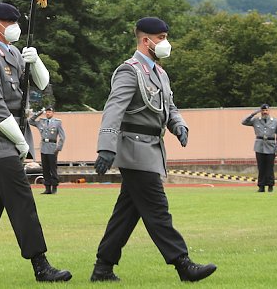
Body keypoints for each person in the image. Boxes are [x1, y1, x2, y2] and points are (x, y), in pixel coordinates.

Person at [91, 17, 215, 283]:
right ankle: (183, 264)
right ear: (145, 40)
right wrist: (106, 147)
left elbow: (169, 106)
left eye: (166, 37)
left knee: (126, 213)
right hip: (134, 150)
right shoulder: (129, 71)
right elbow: (114, 110)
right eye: (160, 38)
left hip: (151, 148)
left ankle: (102, 268)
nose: (165, 43)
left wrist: (178, 125)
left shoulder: (159, 72)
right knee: (158, 209)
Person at [0, 3, 70, 283]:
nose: (14, 26)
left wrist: (36, 60)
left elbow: (42, 84)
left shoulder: (14, 53)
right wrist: (20, 143)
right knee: (22, 200)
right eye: (9, 21)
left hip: (16, 132)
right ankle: (40, 265)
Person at [242, 103, 277, 192]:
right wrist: (253, 114)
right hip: (259, 146)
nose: (265, 112)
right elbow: (244, 122)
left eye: (266, 110)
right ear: (261, 111)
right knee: (261, 167)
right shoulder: (256, 120)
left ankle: (270, 186)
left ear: (269, 111)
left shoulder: (274, 121)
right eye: (263, 110)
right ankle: (261, 186)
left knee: (270, 167)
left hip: (271, 146)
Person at [29, 106, 66, 194]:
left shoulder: (57, 123)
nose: (48, 113)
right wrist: (39, 113)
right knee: (45, 169)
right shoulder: (42, 122)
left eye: (50, 112)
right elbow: (30, 121)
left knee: (53, 169)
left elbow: (62, 136)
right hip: (44, 147)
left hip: (52, 147)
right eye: (47, 112)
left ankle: (54, 188)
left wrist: (58, 148)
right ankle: (47, 188)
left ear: (53, 113)